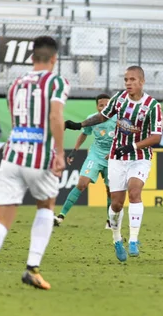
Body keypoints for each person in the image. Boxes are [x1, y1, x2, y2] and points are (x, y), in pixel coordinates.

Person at [0, 36, 69, 290]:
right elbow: (56, 116)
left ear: (32, 58)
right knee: (46, 207)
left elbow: (16, 120)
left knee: (1, 220)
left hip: (12, 155)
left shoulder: (14, 84)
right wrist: (59, 152)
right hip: (39, 157)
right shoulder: (56, 82)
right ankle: (32, 269)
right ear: (54, 59)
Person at [65, 65, 162, 262]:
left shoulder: (153, 106)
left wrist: (132, 147)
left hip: (139, 157)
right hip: (117, 158)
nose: (128, 83)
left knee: (135, 192)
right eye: (126, 79)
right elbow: (103, 116)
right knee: (117, 204)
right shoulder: (119, 99)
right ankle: (117, 239)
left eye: (132, 80)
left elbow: (156, 137)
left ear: (141, 82)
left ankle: (133, 239)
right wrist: (80, 124)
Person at [54, 93, 116, 229]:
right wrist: (74, 151)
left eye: (107, 105)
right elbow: (84, 134)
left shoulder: (119, 119)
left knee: (111, 190)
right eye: (101, 105)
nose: (104, 107)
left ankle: (110, 221)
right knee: (81, 184)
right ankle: (61, 216)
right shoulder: (92, 119)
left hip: (112, 158)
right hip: (96, 155)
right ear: (97, 107)